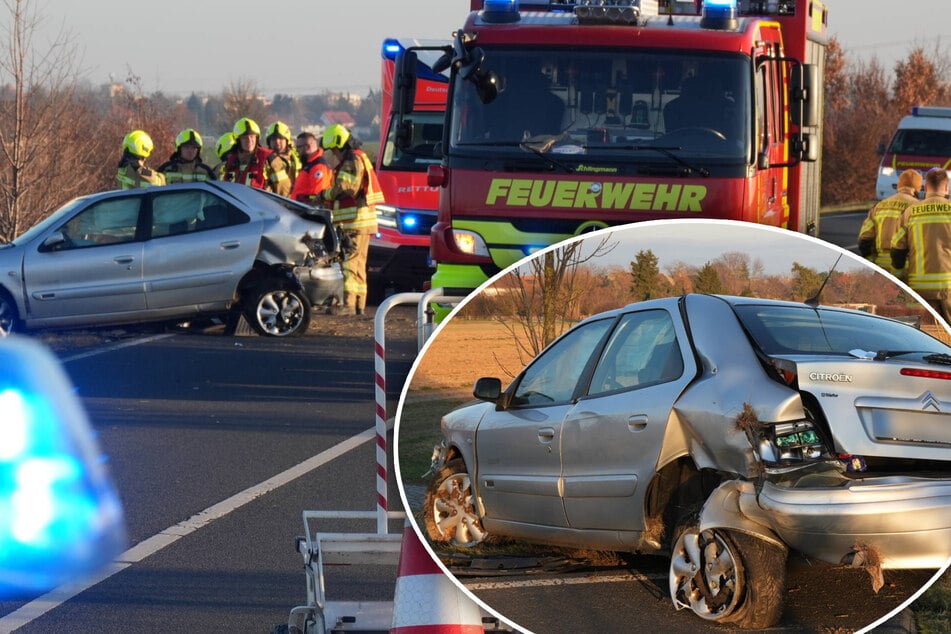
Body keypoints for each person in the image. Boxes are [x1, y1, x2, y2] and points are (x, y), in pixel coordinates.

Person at [321, 124, 384, 316]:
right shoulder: (358, 156)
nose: (333, 155)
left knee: (348, 263)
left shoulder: (351, 159)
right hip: (360, 222)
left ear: (339, 146)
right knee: (357, 266)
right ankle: (358, 306)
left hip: (354, 223)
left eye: (333, 150)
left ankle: (347, 305)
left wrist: (324, 194)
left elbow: (346, 188)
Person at [891, 167, 951, 323]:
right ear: (946, 187)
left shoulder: (911, 212)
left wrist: (898, 280)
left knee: (928, 335)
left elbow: (897, 251)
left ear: (925, 187)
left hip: (920, 289)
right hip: (949, 288)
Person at [858, 168, 921, 273]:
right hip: (906, 268)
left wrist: (871, 263)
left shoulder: (879, 206)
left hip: (881, 268)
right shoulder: (917, 207)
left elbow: (864, 239)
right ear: (917, 189)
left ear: (899, 185)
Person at [222, 117, 272, 189]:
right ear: (238, 141)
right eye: (245, 138)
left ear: (257, 139)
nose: (249, 140)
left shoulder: (267, 158)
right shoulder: (231, 161)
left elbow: (281, 189)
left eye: (252, 137)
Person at [290, 131, 333, 205]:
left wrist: (301, 200)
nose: (298, 151)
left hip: (308, 212)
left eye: (299, 147)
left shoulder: (318, 167)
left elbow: (318, 196)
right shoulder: (309, 165)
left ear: (308, 146)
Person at [265, 121, 300, 197]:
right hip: (276, 202)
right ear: (269, 142)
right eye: (273, 139)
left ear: (287, 141)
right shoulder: (265, 159)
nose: (277, 141)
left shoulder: (297, 157)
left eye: (281, 138)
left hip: (298, 202)